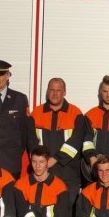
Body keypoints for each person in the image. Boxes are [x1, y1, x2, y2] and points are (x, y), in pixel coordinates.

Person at [29, 77, 87, 207]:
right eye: (51, 90)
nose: (54, 94)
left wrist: (55, 159)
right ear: (47, 91)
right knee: (44, 209)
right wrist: (42, 163)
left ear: (64, 92)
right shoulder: (37, 113)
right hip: (43, 173)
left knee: (67, 210)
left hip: (69, 173)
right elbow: (31, 141)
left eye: (58, 90)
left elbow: (76, 141)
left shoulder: (75, 113)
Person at [82, 75, 109, 179]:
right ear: (100, 91)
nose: (108, 95)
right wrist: (92, 160)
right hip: (94, 165)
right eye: (105, 91)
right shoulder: (90, 115)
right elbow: (86, 141)